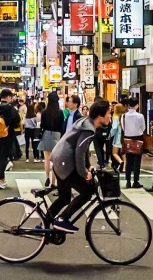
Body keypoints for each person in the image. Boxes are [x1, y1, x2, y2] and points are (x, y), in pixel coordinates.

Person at [46, 100, 112, 234]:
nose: (110, 116)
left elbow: (84, 149)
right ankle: (63, 219)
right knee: (87, 192)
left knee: (64, 197)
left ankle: (44, 223)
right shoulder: (89, 129)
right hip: (65, 163)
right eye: (108, 113)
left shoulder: (85, 122)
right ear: (100, 116)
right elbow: (80, 151)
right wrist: (83, 172)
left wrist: (88, 166)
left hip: (58, 160)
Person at [0, 89, 21, 189]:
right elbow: (16, 122)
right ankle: (0, 179)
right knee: (4, 157)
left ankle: (1, 179)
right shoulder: (11, 109)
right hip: (8, 136)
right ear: (9, 97)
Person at [38, 92, 65, 186]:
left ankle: (47, 177)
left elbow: (42, 125)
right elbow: (62, 126)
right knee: (55, 160)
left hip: (46, 134)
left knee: (47, 159)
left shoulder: (45, 112)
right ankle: (54, 182)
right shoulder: (60, 112)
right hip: (57, 135)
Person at [120, 97, 146, 189]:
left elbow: (123, 128)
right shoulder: (140, 116)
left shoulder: (123, 116)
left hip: (127, 139)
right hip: (138, 139)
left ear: (128, 105)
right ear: (137, 105)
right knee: (137, 162)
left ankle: (127, 181)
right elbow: (143, 128)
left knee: (129, 161)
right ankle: (135, 181)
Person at [109, 102, 125, 171]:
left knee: (114, 153)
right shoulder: (124, 116)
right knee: (124, 153)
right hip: (125, 137)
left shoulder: (115, 117)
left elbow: (114, 128)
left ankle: (121, 162)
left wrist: (109, 135)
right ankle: (124, 168)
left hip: (118, 138)